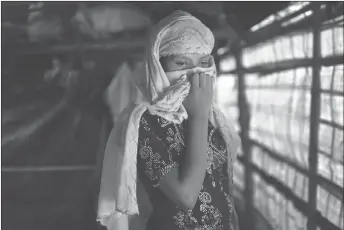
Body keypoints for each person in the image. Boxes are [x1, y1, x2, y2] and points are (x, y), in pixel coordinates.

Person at [97, 10, 241, 230]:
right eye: (181, 64)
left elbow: (222, 189)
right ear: (159, 68)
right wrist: (198, 116)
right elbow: (186, 196)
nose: (195, 74)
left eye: (203, 62)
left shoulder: (213, 118)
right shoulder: (142, 124)